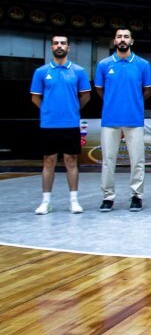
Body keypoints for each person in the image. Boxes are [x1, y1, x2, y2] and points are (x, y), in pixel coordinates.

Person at [30, 35, 92, 214]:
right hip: (48, 124)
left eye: (63, 43)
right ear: (51, 47)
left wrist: (72, 109)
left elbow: (85, 96)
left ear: (68, 47)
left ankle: (74, 201)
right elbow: (35, 97)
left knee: (71, 161)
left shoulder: (78, 71)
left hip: (70, 123)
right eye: (56, 43)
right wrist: (48, 110)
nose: (59, 46)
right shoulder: (41, 72)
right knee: (48, 161)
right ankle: (46, 201)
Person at [95, 28, 151, 212]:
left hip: (134, 119)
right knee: (108, 160)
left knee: (137, 160)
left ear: (131, 41)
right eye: (119, 37)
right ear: (114, 40)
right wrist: (113, 102)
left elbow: (147, 90)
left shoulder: (142, 64)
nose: (122, 40)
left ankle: (136, 196)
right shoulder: (104, 64)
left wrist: (133, 102)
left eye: (126, 37)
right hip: (110, 120)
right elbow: (99, 90)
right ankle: (108, 197)